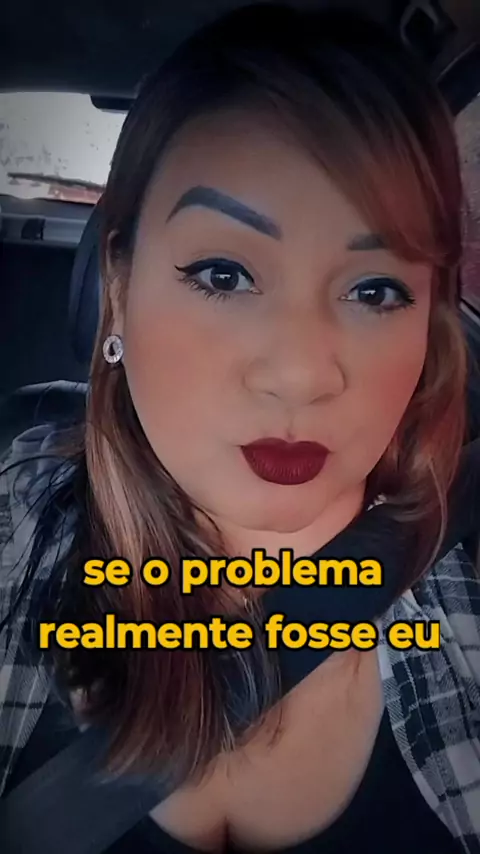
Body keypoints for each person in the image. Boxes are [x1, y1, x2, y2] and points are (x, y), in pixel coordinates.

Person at [1, 3, 480, 852]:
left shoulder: (465, 576)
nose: (301, 372)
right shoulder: (15, 521)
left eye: (375, 290)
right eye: (223, 274)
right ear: (119, 289)